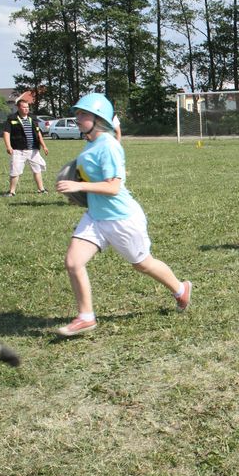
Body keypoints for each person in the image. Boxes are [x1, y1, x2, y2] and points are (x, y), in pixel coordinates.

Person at [55, 93, 191, 337]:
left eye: (83, 114)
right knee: (73, 262)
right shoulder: (91, 144)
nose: (78, 118)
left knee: (142, 264)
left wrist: (78, 187)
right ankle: (86, 316)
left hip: (121, 218)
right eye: (77, 113)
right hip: (96, 217)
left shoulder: (108, 146)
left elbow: (113, 187)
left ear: (99, 119)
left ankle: (180, 289)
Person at [2, 99, 49, 196]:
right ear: (18, 107)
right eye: (24, 107)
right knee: (15, 171)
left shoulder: (33, 118)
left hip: (33, 150)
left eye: (27, 107)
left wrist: (44, 146)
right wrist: (8, 146)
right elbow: (6, 133)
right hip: (18, 150)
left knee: (37, 169)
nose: (26, 109)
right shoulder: (12, 118)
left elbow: (38, 132)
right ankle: (11, 191)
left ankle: (41, 189)